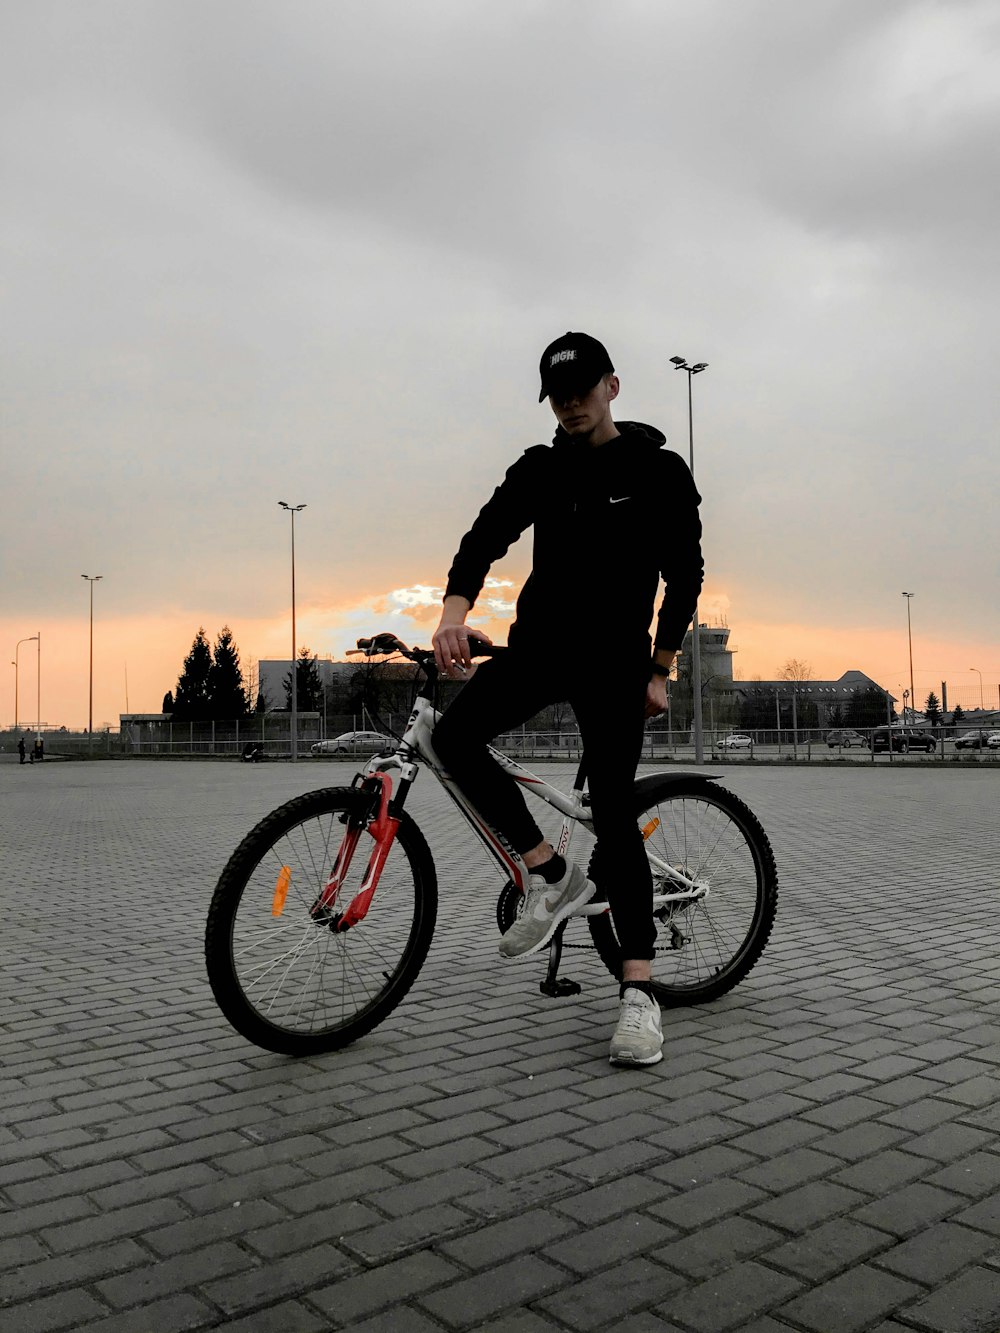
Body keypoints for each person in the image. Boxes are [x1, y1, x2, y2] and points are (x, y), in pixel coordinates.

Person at [432, 332, 703, 1066]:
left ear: (612, 386)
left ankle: (640, 995)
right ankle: (552, 875)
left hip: (616, 666)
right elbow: (484, 536)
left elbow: (686, 572)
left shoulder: (657, 471)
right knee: (452, 740)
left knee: (615, 810)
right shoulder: (540, 469)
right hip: (541, 652)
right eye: (558, 394)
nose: (570, 404)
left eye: (582, 389)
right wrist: (455, 611)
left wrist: (661, 666)